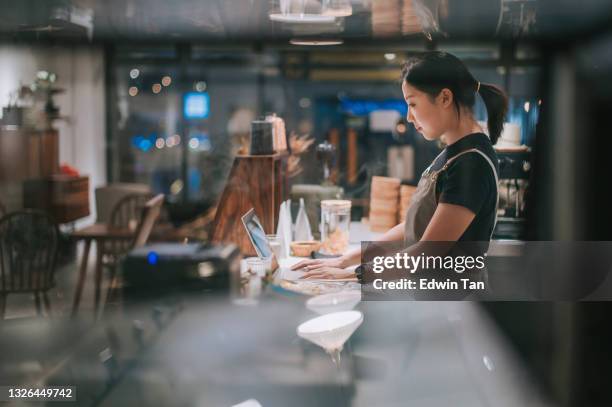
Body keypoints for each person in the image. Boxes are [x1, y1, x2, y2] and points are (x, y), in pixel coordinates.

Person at [292, 51, 508, 280]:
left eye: (412, 103)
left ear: (445, 98)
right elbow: (413, 227)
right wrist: (345, 259)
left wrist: (352, 275)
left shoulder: (471, 163)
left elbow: (427, 253)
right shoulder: (454, 154)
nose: (408, 117)